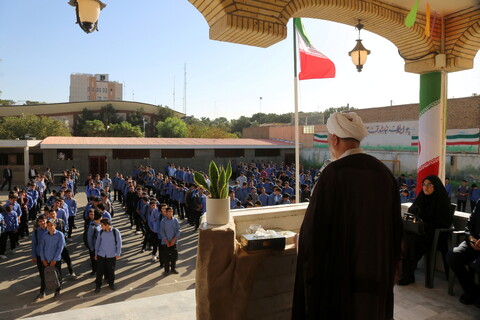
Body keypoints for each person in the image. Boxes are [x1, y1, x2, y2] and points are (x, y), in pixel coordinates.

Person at [292, 112, 403, 319]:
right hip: (375, 271)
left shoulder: (333, 174)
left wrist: (302, 244)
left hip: (340, 276)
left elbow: (315, 230)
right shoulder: (384, 173)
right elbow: (395, 227)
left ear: (334, 139)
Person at [397, 175, 453, 286]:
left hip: (435, 234)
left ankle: (408, 274)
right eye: (424, 185)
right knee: (403, 236)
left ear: (435, 186)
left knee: (413, 241)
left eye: (429, 185)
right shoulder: (421, 197)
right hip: (419, 231)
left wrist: (426, 224)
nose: (426, 187)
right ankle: (404, 271)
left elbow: (444, 222)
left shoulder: (441, 200)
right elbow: (412, 211)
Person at [446, 199, 480, 306]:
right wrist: (471, 238)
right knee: (453, 256)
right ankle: (471, 290)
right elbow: (469, 224)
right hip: (473, 241)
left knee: (478, 265)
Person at [95, 218, 122, 292]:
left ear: (107, 225)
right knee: (99, 271)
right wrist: (96, 254)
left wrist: (118, 253)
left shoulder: (115, 232)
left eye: (102, 225)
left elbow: (119, 243)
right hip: (101, 255)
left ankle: (111, 284)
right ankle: (98, 286)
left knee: (111, 271)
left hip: (111, 255)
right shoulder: (101, 232)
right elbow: (97, 243)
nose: (101, 226)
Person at [40, 218, 65, 299]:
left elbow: (60, 248)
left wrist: (55, 259)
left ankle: (57, 291)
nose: (50, 227)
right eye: (48, 225)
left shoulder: (60, 235)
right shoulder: (44, 235)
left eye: (51, 225)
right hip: (46, 260)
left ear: (55, 226)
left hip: (55, 260)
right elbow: (42, 248)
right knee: (45, 275)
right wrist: (43, 259)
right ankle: (42, 291)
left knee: (57, 276)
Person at [31, 215, 49, 301]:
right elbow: (34, 244)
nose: (42, 223)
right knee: (42, 274)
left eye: (43, 221)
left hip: (49, 256)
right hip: (39, 256)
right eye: (40, 221)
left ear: (46, 220)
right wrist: (34, 256)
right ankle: (43, 291)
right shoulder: (36, 232)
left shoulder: (51, 230)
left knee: (52, 273)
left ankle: (54, 289)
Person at [159, 207, 180, 275]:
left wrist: (174, 240)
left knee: (174, 256)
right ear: (166, 212)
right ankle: (166, 270)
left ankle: (173, 269)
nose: (171, 213)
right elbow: (162, 232)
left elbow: (178, 231)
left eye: (172, 211)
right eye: (169, 211)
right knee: (166, 257)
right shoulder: (163, 221)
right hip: (166, 242)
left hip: (173, 242)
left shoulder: (175, 220)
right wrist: (167, 242)